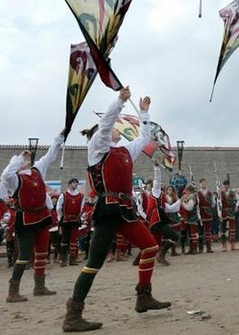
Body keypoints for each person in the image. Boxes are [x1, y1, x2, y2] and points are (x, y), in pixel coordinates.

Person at [62, 88, 170, 332]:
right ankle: (73, 314)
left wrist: (144, 112)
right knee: (94, 262)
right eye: (113, 128)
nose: (116, 129)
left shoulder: (125, 152)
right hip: (108, 209)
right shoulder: (97, 149)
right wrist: (120, 101)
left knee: (151, 246)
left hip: (125, 209)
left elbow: (144, 138)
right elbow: (105, 124)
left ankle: (143, 297)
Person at [1, 132, 65, 302]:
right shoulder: (14, 179)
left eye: (27, 160)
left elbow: (50, 156)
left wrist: (59, 139)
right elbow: (5, 174)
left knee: (43, 252)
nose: (27, 161)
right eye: (24, 161)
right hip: (26, 218)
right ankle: (13, 292)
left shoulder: (37, 170)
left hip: (42, 216)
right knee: (24, 255)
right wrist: (19, 158)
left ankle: (39, 286)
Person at [57, 178, 85, 267]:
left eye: (76, 183)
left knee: (74, 240)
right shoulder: (64, 195)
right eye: (73, 183)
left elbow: (81, 208)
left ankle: (73, 259)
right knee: (64, 240)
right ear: (69, 184)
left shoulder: (81, 196)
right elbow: (58, 208)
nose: (75, 184)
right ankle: (63, 259)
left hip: (75, 220)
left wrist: (79, 216)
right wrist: (61, 218)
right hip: (65, 220)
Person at [217, 180, 239, 252]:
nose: (226, 186)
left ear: (229, 185)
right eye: (224, 185)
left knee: (232, 229)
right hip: (224, 211)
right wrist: (219, 214)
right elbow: (219, 204)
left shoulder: (233, 192)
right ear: (223, 186)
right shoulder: (220, 193)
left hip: (231, 211)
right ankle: (224, 246)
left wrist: (236, 206)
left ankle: (233, 245)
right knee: (223, 229)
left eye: (227, 185)